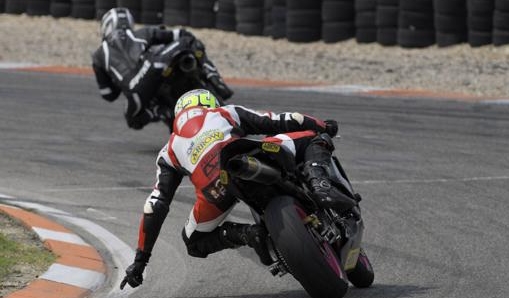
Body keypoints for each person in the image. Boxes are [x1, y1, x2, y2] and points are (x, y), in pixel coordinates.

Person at [119, 89, 355, 289]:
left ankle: (248, 235)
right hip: (248, 152)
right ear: (209, 103)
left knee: (193, 241)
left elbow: (155, 205)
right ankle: (318, 181)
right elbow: (280, 119)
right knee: (313, 136)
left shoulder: (168, 151)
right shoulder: (223, 112)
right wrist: (324, 125)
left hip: (216, 188)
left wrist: (140, 261)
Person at [91, 7, 233, 130]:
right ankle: (215, 79)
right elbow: (180, 34)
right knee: (188, 40)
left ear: (105, 27)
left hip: (135, 94)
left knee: (132, 120)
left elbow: (108, 94)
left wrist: (117, 80)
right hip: (153, 67)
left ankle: (162, 112)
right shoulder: (142, 33)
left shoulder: (98, 56)